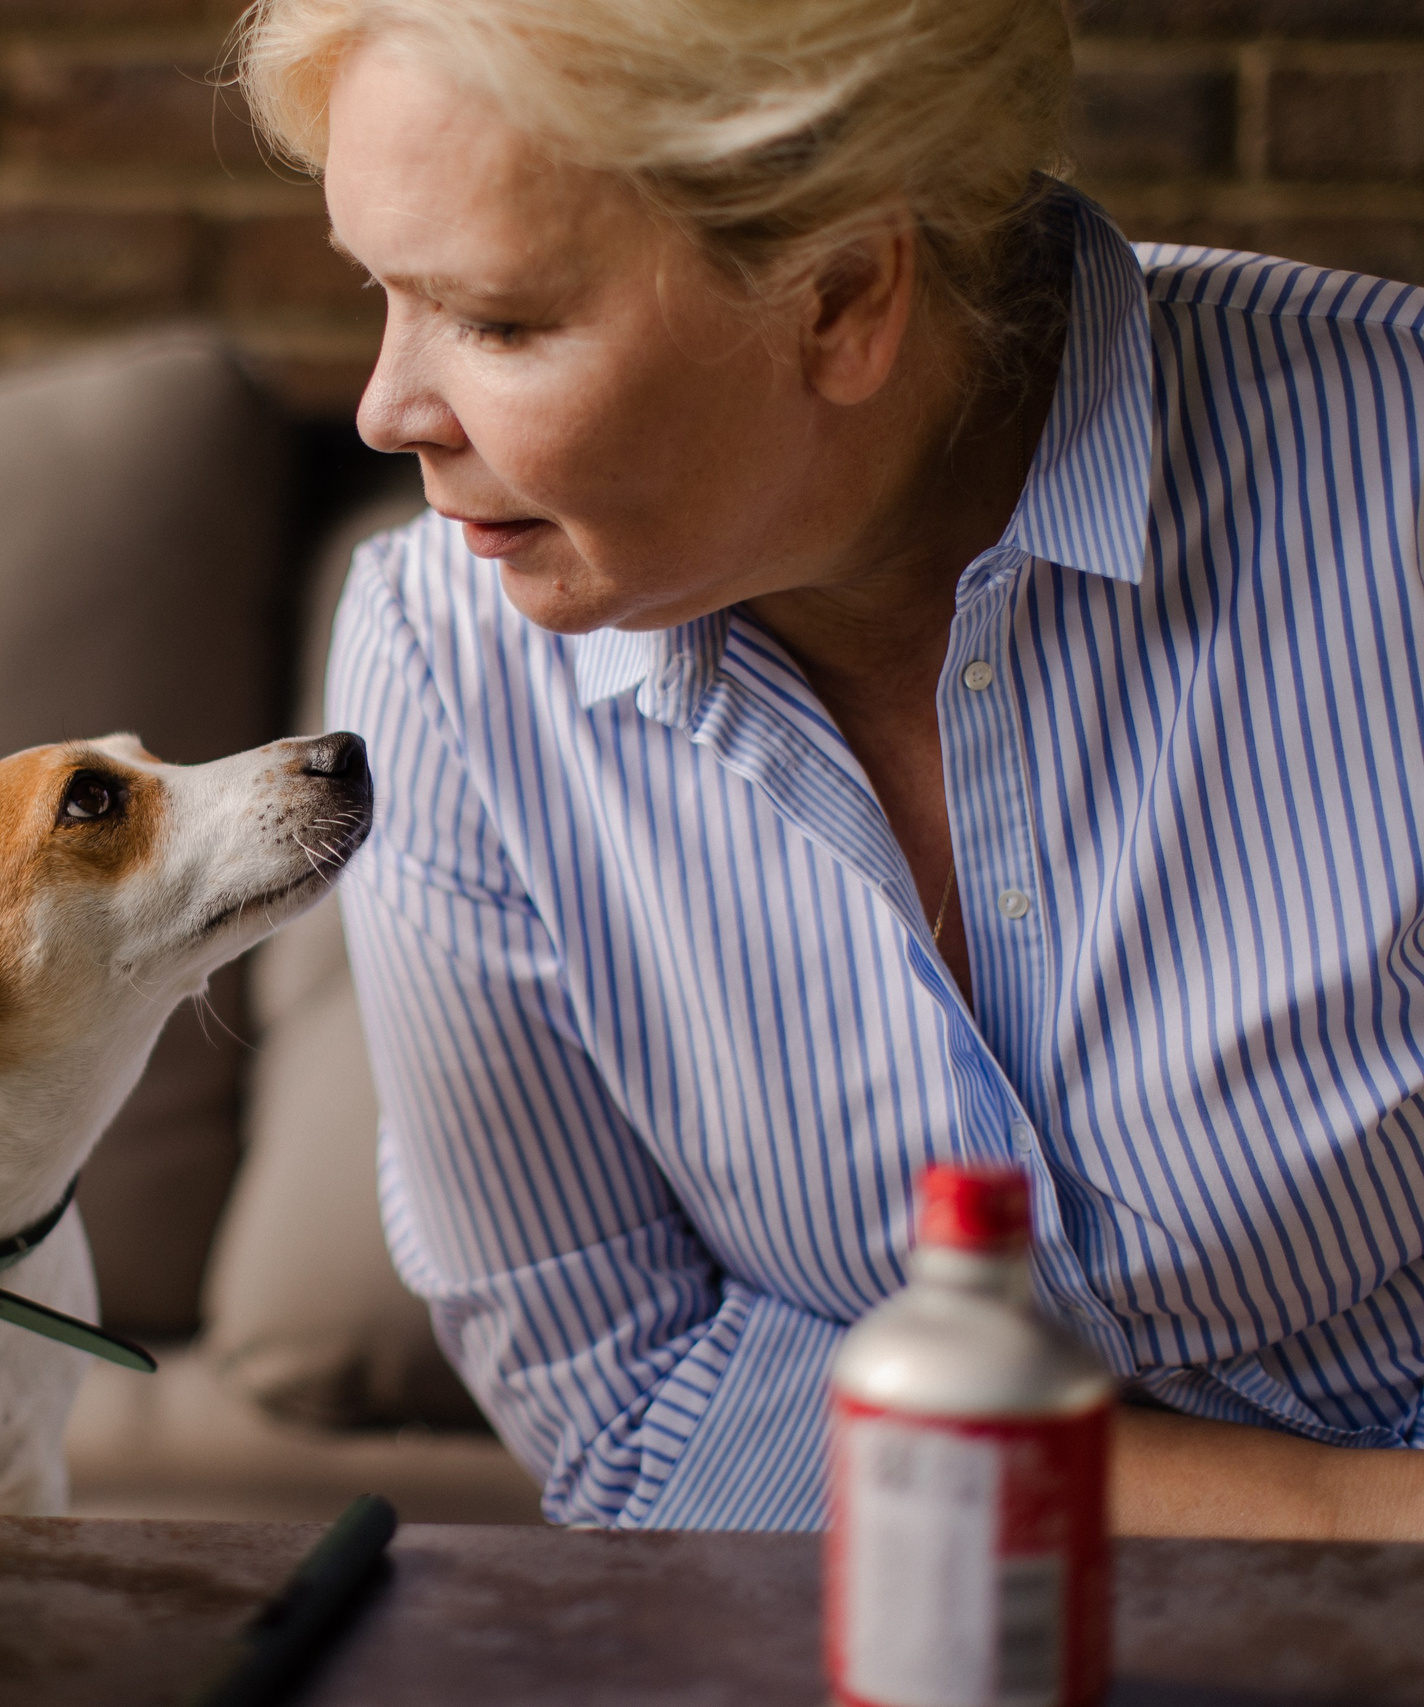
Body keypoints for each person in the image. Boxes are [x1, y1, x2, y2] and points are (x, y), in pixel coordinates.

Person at [234, 0, 1424, 1536]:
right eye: (383, 295)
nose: (387, 408)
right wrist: (1352, 1524)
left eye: (500, 320)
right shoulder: (444, 662)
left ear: (847, 295)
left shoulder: (1395, 510)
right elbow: (633, 1400)